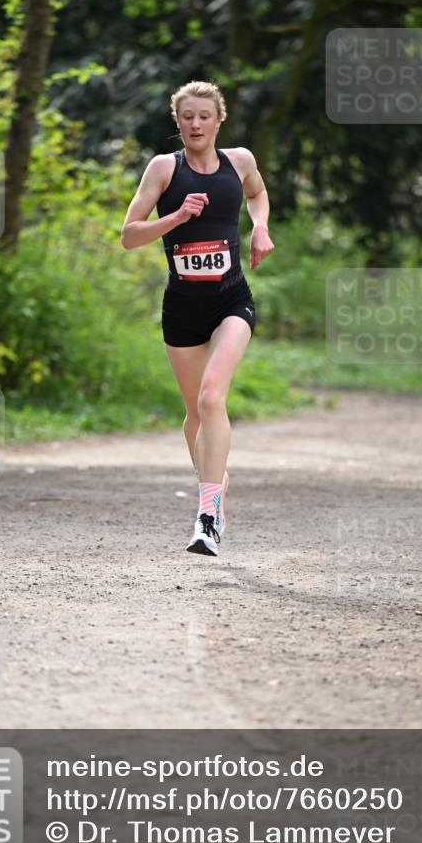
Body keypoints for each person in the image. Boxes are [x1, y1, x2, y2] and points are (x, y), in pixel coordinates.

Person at [121, 80, 274, 556]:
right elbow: (129, 235)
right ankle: (216, 481)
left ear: (218, 119)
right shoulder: (164, 169)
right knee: (193, 412)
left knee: (212, 397)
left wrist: (261, 228)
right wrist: (175, 219)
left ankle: (207, 516)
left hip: (232, 300)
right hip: (182, 307)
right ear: (178, 121)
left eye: (204, 115)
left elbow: (258, 194)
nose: (195, 124)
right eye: (187, 116)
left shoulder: (240, 161)